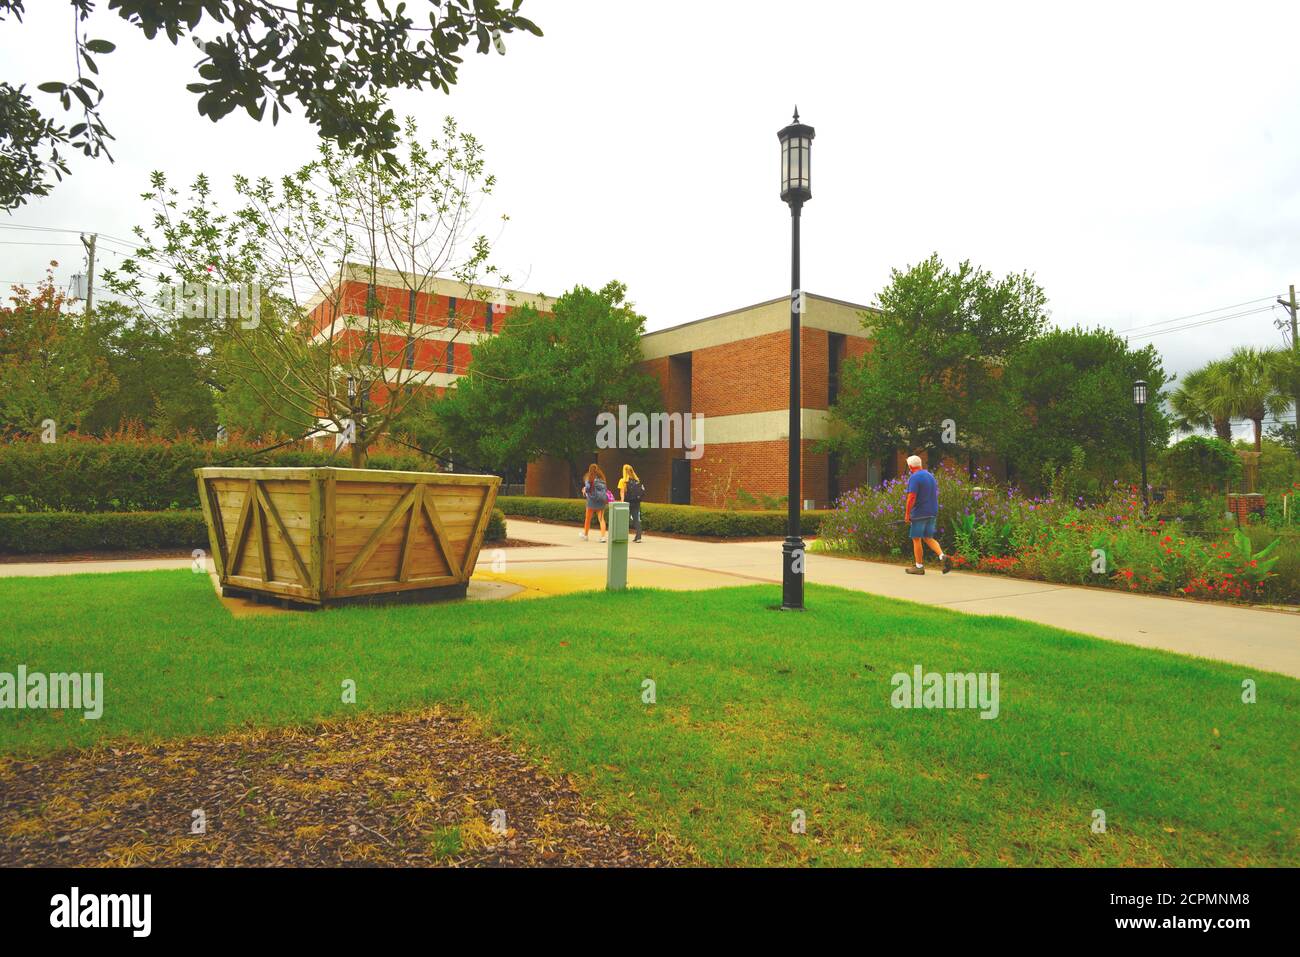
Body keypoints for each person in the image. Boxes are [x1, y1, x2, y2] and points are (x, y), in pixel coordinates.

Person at [903, 454, 951, 575]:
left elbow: (911, 497)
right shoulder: (930, 476)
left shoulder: (914, 477)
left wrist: (907, 514)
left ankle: (919, 567)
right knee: (928, 537)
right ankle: (942, 556)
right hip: (932, 511)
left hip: (920, 512)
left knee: (916, 538)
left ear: (910, 466)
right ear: (920, 464)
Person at [580, 464, 609, 542]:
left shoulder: (589, 477)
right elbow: (605, 489)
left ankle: (585, 535)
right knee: (601, 519)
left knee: (588, 518)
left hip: (591, 500)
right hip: (601, 500)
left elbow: (588, 488)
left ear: (590, 470)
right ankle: (603, 537)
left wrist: (584, 489)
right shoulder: (602, 478)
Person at [619, 464, 645, 543]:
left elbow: (622, 492)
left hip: (627, 502)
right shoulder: (637, 480)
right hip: (636, 502)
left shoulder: (623, 481)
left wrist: (622, 502)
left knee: (624, 519)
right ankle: (638, 536)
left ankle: (623, 536)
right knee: (636, 518)